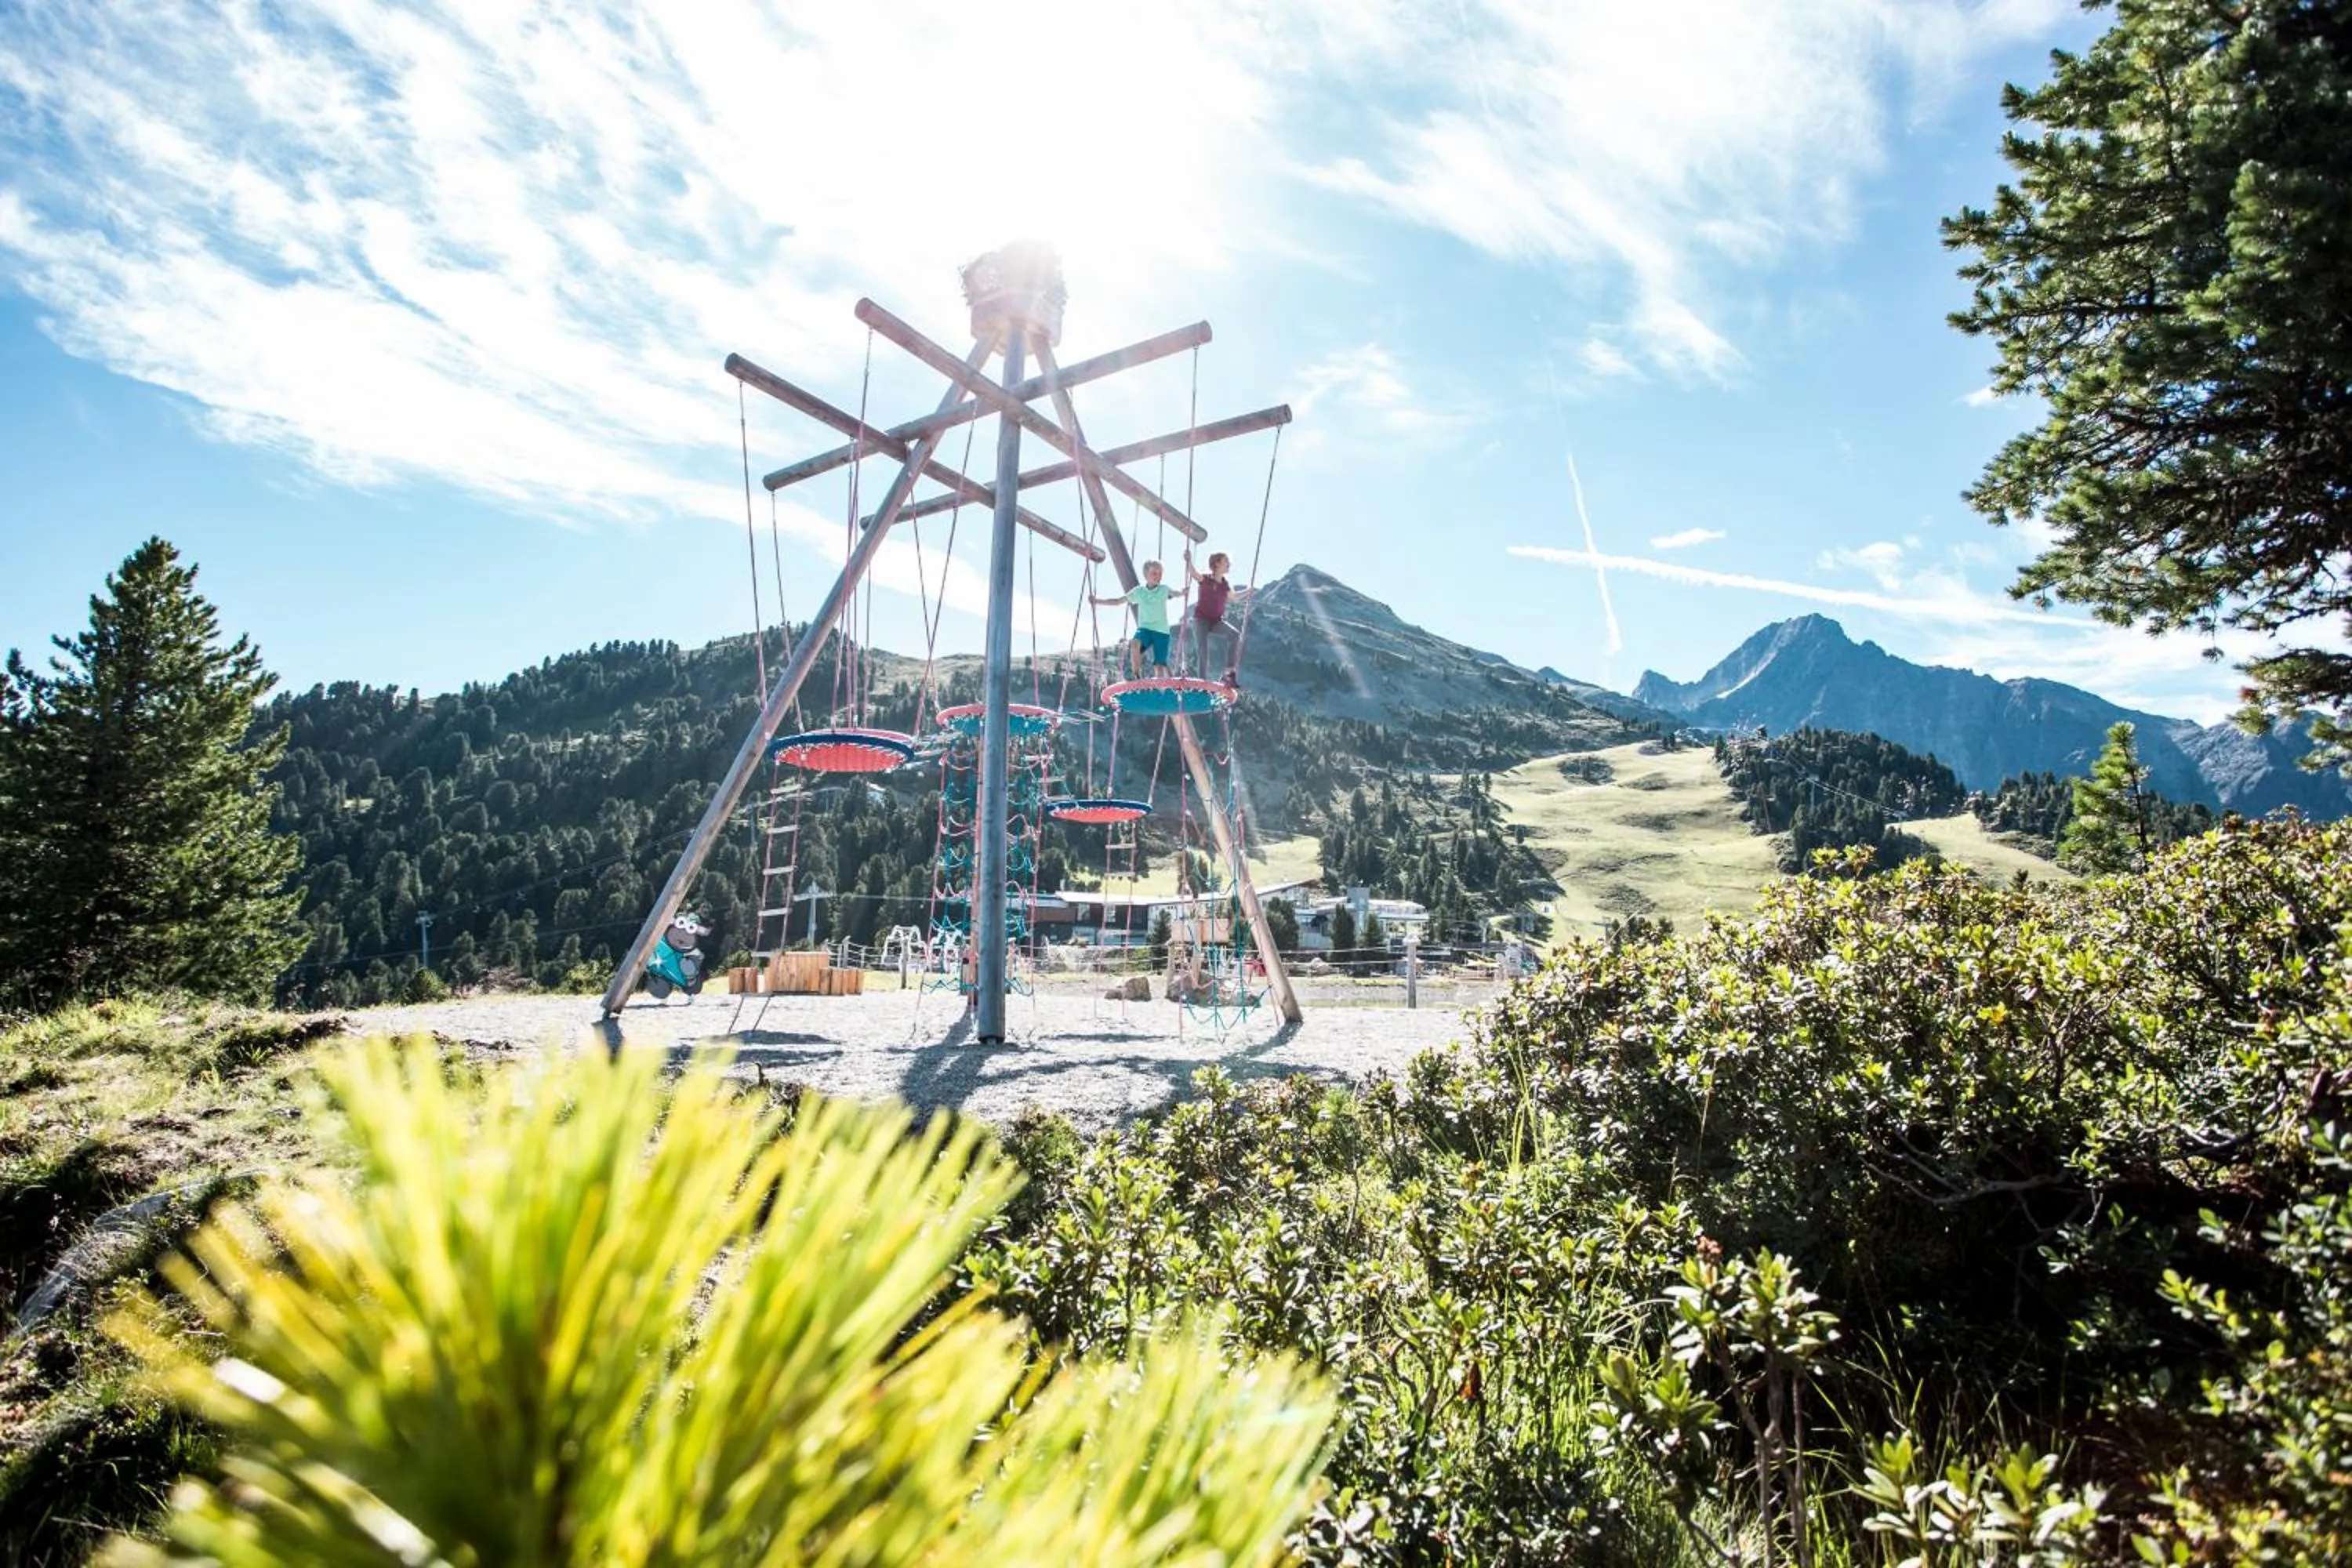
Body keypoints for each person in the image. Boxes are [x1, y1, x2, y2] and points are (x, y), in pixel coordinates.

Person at [1091, 561, 1179, 678]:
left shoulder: (1163, 590)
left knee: (1159, 666)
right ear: (1146, 575)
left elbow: (1175, 593)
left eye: (1160, 574)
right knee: (1135, 644)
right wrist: (1097, 601)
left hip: (1161, 631)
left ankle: (1160, 691)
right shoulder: (1139, 592)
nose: (1158, 577)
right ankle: (1137, 674)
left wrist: (1183, 592)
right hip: (1146, 629)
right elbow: (1118, 601)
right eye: (1154, 573)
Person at [1181, 549, 1239, 685]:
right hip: (1201, 620)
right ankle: (1202, 683)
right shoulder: (1205, 579)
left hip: (1217, 621)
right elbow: (1194, 574)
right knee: (1203, 652)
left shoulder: (1225, 584)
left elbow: (1234, 598)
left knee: (1235, 634)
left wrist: (1248, 592)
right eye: (1226, 561)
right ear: (1217, 564)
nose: (1229, 564)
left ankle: (1228, 674)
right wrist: (1188, 561)